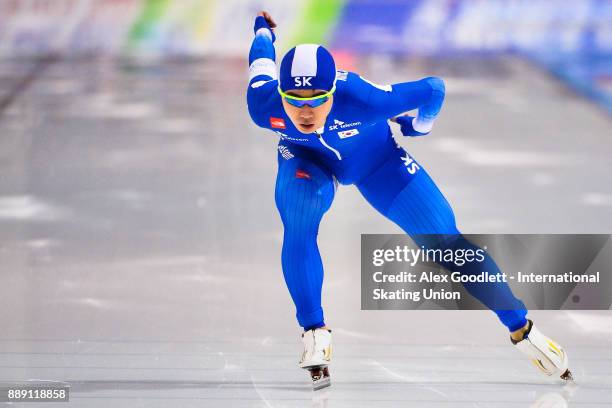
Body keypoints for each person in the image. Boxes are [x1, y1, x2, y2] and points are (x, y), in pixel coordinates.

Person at [246, 11, 572, 388]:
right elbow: (261, 59)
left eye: (317, 99)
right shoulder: (263, 105)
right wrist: (263, 30)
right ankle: (314, 331)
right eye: (294, 99)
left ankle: (522, 329)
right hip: (307, 161)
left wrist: (420, 125)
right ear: (281, 94)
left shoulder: (362, 99)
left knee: (447, 244)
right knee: (299, 218)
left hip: (377, 162)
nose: (305, 111)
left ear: (332, 93)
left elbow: (433, 89)